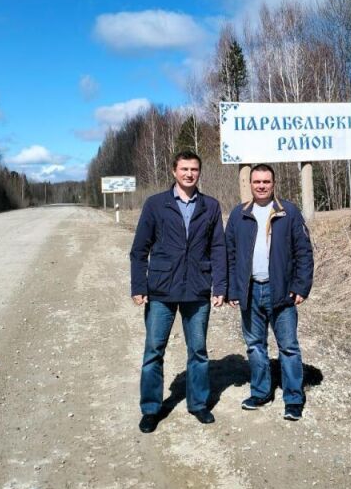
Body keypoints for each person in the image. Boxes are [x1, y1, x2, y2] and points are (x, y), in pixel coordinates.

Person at [130, 149, 226, 432]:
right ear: (174, 171)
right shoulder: (155, 204)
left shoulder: (210, 206)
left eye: (194, 169)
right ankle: (151, 409)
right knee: (153, 351)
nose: (189, 174)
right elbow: (139, 250)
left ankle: (198, 404)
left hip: (197, 289)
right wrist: (139, 285)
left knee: (198, 351)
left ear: (199, 172)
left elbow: (218, 248)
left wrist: (220, 285)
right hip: (161, 290)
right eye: (184, 169)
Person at [225, 163, 314, 421]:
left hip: (282, 292)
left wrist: (301, 286)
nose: (261, 186)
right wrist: (232, 289)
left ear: (273, 184)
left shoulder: (289, 212)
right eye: (257, 182)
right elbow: (230, 254)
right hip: (250, 290)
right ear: (250, 184)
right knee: (255, 346)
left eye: (266, 181)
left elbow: (303, 252)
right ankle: (261, 392)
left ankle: (293, 398)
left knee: (288, 347)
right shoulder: (239, 214)